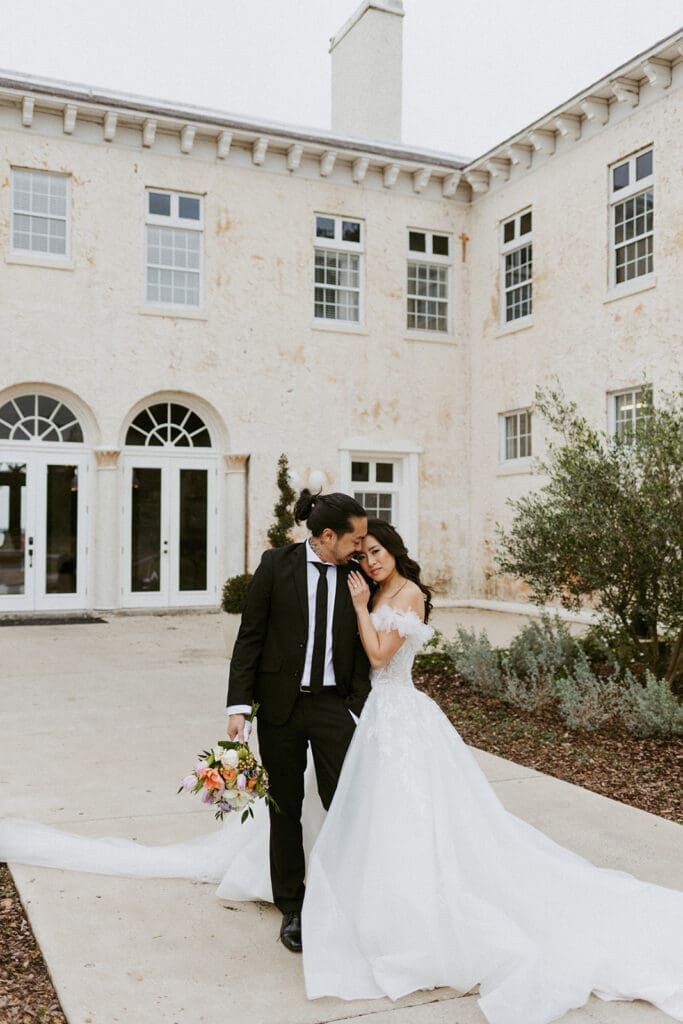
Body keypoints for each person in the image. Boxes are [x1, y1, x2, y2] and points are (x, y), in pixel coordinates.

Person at [301, 519, 683, 1024]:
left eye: (377, 552)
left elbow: (377, 656)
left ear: (393, 550)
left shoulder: (407, 594)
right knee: (382, 813)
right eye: (364, 555)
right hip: (377, 715)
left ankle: (410, 915)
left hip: (398, 712)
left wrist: (355, 607)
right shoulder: (378, 589)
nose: (371, 562)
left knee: (411, 814)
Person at [226, 489, 371, 952]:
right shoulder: (276, 565)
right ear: (327, 536)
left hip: (333, 707)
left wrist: (358, 705)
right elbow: (250, 635)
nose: (361, 547)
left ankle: (345, 894)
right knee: (285, 807)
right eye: (355, 539)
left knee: (344, 801)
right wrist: (238, 706)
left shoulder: (357, 574)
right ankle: (292, 905)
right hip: (281, 708)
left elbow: (364, 643)